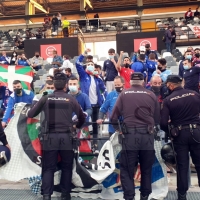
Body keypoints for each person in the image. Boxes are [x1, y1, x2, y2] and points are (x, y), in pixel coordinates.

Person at [27, 72, 85, 200]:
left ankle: (47, 195)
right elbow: (82, 117)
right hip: (67, 137)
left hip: (50, 138)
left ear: (53, 85)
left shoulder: (45, 98)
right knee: (66, 166)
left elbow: (30, 114)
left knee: (48, 168)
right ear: (66, 86)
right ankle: (65, 195)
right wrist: (77, 126)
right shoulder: (71, 99)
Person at [110, 72, 160, 200]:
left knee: (126, 169)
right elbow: (157, 118)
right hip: (147, 136)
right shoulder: (151, 95)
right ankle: (145, 196)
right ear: (143, 81)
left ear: (130, 82)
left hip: (130, 135)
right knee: (146, 168)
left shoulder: (124, 94)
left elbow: (113, 117)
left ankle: (129, 197)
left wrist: (119, 130)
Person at [160, 75, 200, 200]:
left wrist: (171, 132)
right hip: (197, 132)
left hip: (180, 134)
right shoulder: (194, 94)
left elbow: (162, 123)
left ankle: (182, 196)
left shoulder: (168, 100)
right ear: (181, 83)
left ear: (171, 85)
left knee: (182, 166)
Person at [76, 48, 107, 153]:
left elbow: (104, 90)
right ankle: (82, 146)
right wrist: (83, 54)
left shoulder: (98, 78)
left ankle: (94, 146)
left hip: (96, 106)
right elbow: (77, 64)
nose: (90, 65)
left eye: (92, 64)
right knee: (83, 125)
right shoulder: (84, 76)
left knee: (94, 127)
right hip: (86, 106)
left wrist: (104, 103)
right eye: (88, 64)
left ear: (95, 67)